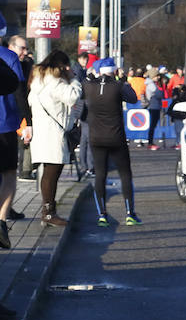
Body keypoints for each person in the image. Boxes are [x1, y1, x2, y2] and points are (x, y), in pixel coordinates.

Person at [27, 51, 81, 227]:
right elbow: (73, 96)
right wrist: (74, 80)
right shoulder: (55, 82)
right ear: (60, 66)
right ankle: (48, 213)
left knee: (50, 172)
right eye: (66, 66)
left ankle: (49, 210)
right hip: (53, 133)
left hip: (43, 132)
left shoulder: (38, 81)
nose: (68, 69)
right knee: (52, 172)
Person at [83, 58, 140, 225]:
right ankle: (130, 213)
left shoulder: (89, 86)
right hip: (116, 137)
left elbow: (82, 86)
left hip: (96, 137)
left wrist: (91, 77)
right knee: (125, 174)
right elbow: (133, 98)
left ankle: (102, 215)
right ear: (115, 70)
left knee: (100, 174)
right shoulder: (118, 86)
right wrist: (123, 80)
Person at [0, 29, 28, 246]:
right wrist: (28, 122)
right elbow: (19, 91)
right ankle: (1, 221)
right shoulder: (8, 57)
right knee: (9, 173)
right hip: (6, 123)